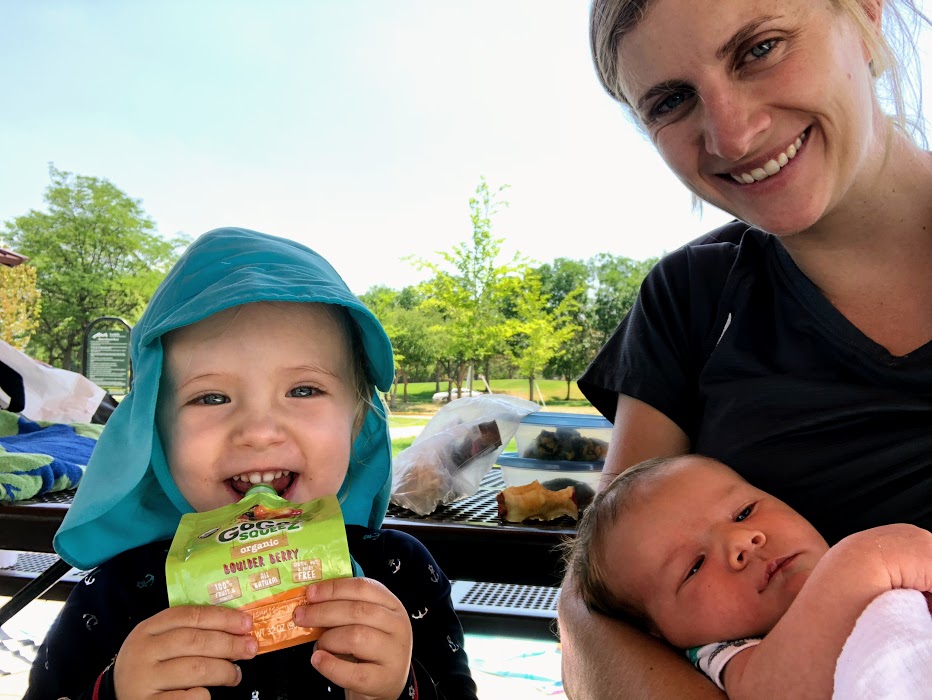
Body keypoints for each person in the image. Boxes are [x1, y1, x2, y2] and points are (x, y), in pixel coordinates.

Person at [559, 0, 932, 697]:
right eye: (672, 100)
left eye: (759, 49)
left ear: (868, 15)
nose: (731, 134)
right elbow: (591, 615)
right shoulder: (688, 299)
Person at [26, 227, 479, 700]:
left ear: (357, 421)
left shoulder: (399, 574)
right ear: (155, 436)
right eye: (211, 397)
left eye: (304, 390)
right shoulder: (116, 593)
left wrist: (399, 690)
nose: (260, 430)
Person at [563, 453, 932, 699]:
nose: (744, 541)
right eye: (694, 567)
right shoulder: (731, 653)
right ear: (660, 634)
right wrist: (864, 561)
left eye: (743, 513)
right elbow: (772, 691)